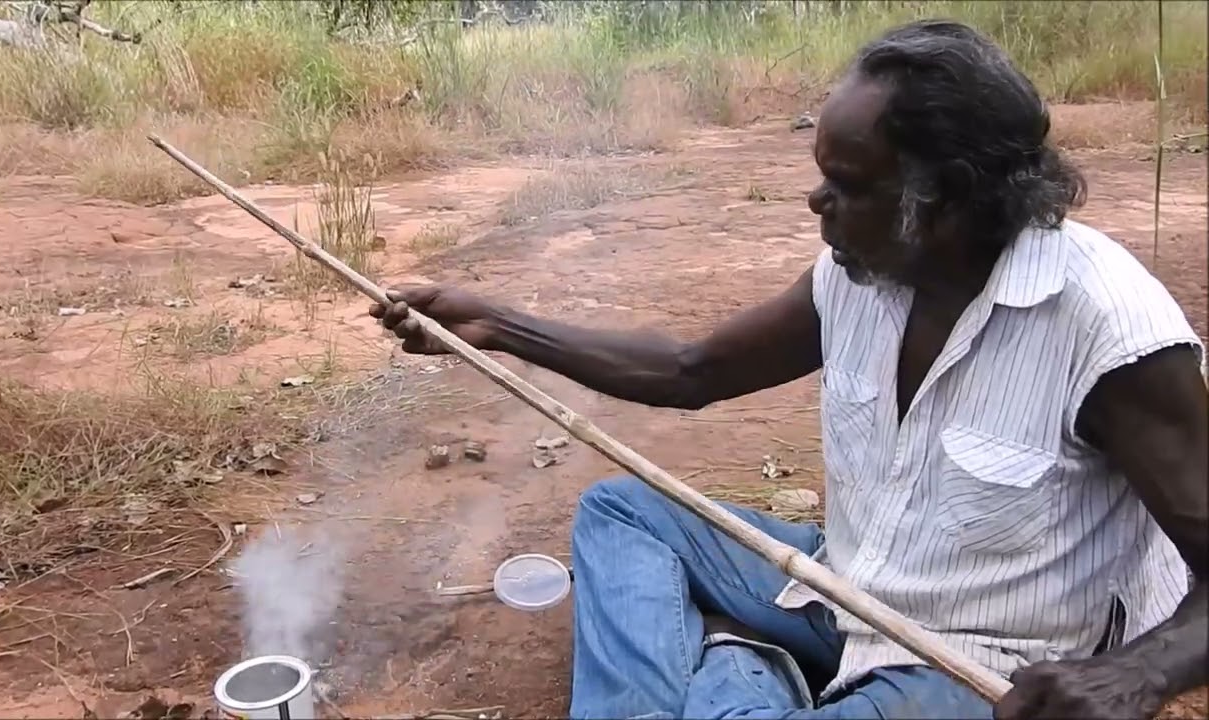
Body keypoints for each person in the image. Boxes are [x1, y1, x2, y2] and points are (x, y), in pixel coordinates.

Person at [371, 19, 1208, 720]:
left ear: (945, 196)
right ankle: (733, 674)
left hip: (974, 666)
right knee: (623, 512)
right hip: (849, 587)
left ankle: (736, 668)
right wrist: (496, 325)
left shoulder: (1112, 333)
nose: (817, 204)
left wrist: (1133, 673)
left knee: (723, 679)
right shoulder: (862, 274)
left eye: (847, 184)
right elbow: (690, 371)